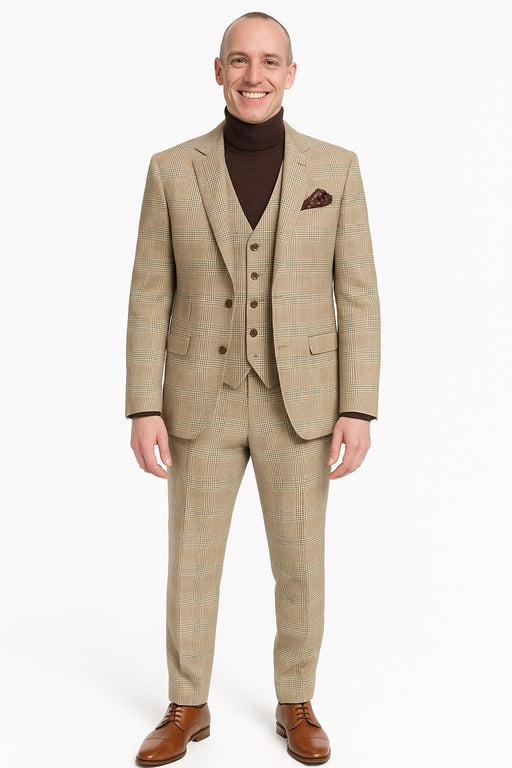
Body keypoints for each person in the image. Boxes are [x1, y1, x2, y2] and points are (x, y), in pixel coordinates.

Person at [125, 11, 380, 766]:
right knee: (191, 558)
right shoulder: (172, 170)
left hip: (301, 400)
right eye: (239, 60)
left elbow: (358, 294)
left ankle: (296, 700)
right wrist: (144, 402)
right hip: (198, 396)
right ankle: (187, 704)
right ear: (218, 71)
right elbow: (149, 292)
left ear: (291, 74)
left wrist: (357, 405)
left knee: (300, 561)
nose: (254, 75)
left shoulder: (335, 169)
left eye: (270, 61)